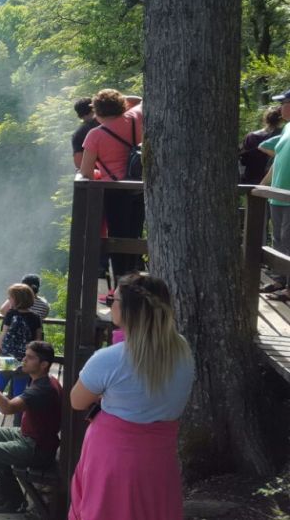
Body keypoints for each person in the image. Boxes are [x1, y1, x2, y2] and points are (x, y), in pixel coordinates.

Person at [69, 273, 194, 520]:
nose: (109, 305)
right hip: (159, 457)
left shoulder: (110, 359)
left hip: (114, 458)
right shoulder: (182, 350)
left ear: (127, 310)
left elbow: (77, 400)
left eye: (112, 300)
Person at [0, 341, 62, 513]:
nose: (24, 360)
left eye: (30, 358)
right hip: (30, 436)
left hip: (36, 448)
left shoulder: (42, 389)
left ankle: (0, 500)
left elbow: (7, 408)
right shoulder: (46, 380)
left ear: (44, 365)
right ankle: (14, 498)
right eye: (25, 356)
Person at [79, 89, 145, 280]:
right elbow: (140, 100)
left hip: (114, 192)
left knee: (117, 238)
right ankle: (135, 276)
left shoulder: (95, 135)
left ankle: (122, 282)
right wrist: (119, 101)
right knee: (135, 234)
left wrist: (99, 173)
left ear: (97, 111)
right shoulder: (134, 118)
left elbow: (86, 172)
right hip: (138, 187)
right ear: (122, 105)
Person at [0, 284, 44, 427]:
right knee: (20, 396)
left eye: (10, 298)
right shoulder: (36, 318)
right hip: (24, 362)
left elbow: (3, 335)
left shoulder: (10, 314)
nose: (8, 300)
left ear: (17, 300)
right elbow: (38, 342)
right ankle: (17, 427)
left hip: (6, 360)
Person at [260, 89, 290, 301]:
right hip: (276, 195)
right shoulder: (287, 127)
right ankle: (280, 280)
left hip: (288, 197)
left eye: (284, 103)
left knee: (289, 241)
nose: (280, 108)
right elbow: (278, 159)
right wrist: (262, 186)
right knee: (278, 240)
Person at [243, 107, 283, 186]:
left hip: (251, 178)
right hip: (274, 179)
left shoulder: (251, 136)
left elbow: (244, 159)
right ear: (281, 120)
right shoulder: (283, 135)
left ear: (265, 119)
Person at [71, 98, 100, 170]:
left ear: (79, 115)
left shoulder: (78, 134)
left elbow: (79, 163)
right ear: (94, 108)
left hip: (97, 173)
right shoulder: (110, 122)